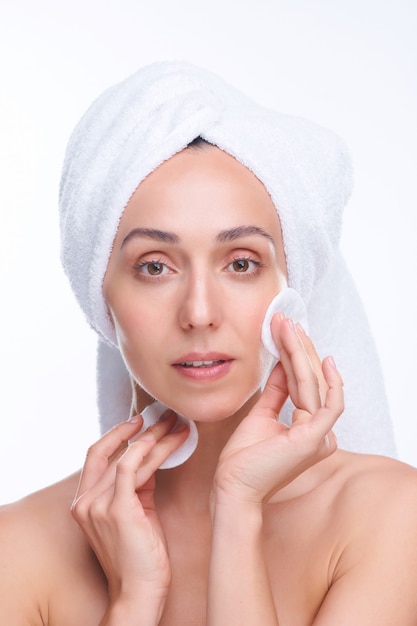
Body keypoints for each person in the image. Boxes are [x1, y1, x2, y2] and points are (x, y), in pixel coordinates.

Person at [0, 61, 416, 625]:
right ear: (100, 295)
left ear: (292, 289)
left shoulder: (390, 517)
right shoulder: (18, 549)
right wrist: (132, 603)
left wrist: (237, 511)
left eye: (241, 263)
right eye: (154, 266)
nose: (199, 313)